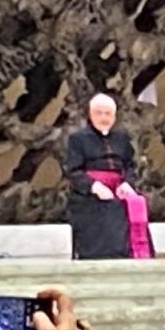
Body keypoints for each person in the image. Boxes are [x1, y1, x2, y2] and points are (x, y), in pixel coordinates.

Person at [62, 94, 154, 260]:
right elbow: (73, 170)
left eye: (108, 113)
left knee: (134, 204)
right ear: (90, 114)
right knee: (105, 212)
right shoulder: (78, 139)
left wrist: (127, 183)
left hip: (119, 190)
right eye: (99, 113)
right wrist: (95, 187)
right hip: (89, 194)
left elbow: (130, 165)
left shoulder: (122, 138)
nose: (104, 118)